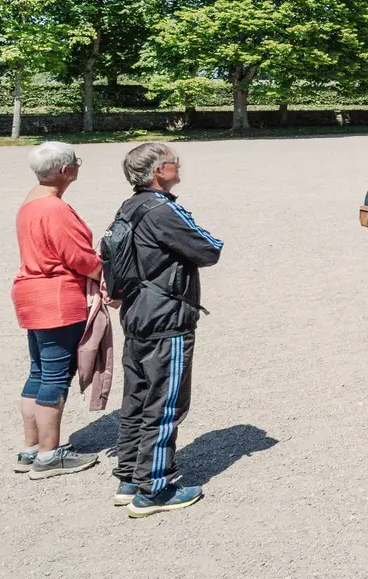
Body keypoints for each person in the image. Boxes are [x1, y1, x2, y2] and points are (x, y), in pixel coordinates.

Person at [112, 142, 225, 517]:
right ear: (159, 170)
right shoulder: (163, 209)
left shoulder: (130, 206)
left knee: (137, 398)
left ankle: (129, 476)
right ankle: (154, 487)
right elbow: (208, 249)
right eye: (175, 161)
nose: (180, 167)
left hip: (137, 312)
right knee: (166, 401)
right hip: (166, 316)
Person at [11, 142, 104, 480]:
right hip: (56, 297)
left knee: (38, 372)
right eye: (76, 162)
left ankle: (31, 448)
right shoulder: (54, 208)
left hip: (30, 294)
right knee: (54, 376)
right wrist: (104, 275)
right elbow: (78, 256)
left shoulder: (30, 202)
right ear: (65, 171)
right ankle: (50, 456)